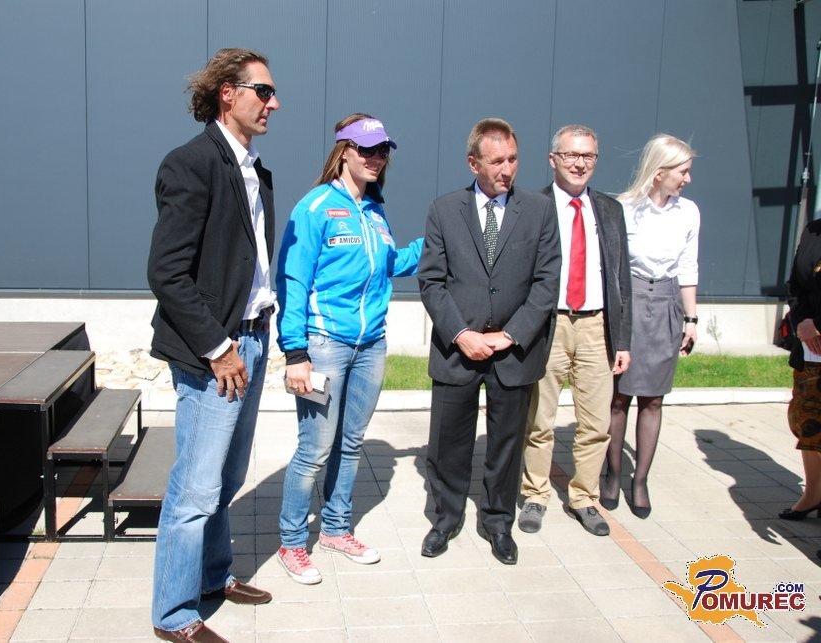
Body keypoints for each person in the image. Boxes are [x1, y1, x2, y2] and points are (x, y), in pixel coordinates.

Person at [147, 48, 280, 643]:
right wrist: (218, 347)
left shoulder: (256, 171)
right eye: (263, 91)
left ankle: (211, 576)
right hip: (214, 353)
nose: (274, 102)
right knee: (196, 488)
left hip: (252, 339)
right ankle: (174, 615)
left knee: (226, 478)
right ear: (229, 92)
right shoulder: (191, 163)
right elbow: (166, 272)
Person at [276, 114, 423, 584]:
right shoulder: (316, 207)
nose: (376, 158)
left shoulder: (375, 211)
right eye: (367, 149)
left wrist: (435, 242)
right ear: (344, 151)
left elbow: (390, 264)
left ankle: (336, 530)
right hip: (324, 347)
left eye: (383, 151)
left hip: (371, 345)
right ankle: (292, 543)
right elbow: (292, 281)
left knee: (351, 443)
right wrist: (295, 352)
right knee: (315, 448)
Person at [418, 118, 560, 565]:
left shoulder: (539, 210)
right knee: (448, 442)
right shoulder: (444, 210)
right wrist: (461, 334)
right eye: (496, 161)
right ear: (473, 163)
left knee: (506, 444)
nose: (507, 169)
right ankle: (446, 518)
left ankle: (498, 522)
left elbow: (546, 283)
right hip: (457, 350)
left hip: (514, 352)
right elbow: (431, 281)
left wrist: (510, 335)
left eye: (513, 159)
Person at [520, 125, 632, 537]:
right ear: (553, 159)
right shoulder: (533, 207)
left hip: (596, 326)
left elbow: (622, 277)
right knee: (539, 420)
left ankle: (584, 498)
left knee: (596, 424)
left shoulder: (610, 209)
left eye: (588, 156)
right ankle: (535, 494)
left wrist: (623, 340)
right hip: (550, 324)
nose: (580, 163)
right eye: (571, 155)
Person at [603, 134, 699, 520]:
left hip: (667, 303)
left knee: (653, 398)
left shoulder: (688, 212)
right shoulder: (625, 209)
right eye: (683, 171)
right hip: (630, 301)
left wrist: (691, 319)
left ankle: (640, 479)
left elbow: (688, 266)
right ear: (659, 172)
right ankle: (612, 473)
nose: (688, 179)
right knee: (619, 395)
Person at [779, 218, 821, 521]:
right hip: (811, 350)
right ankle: (813, 494)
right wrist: (803, 323)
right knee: (806, 422)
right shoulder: (813, 231)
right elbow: (796, 286)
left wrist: (818, 324)